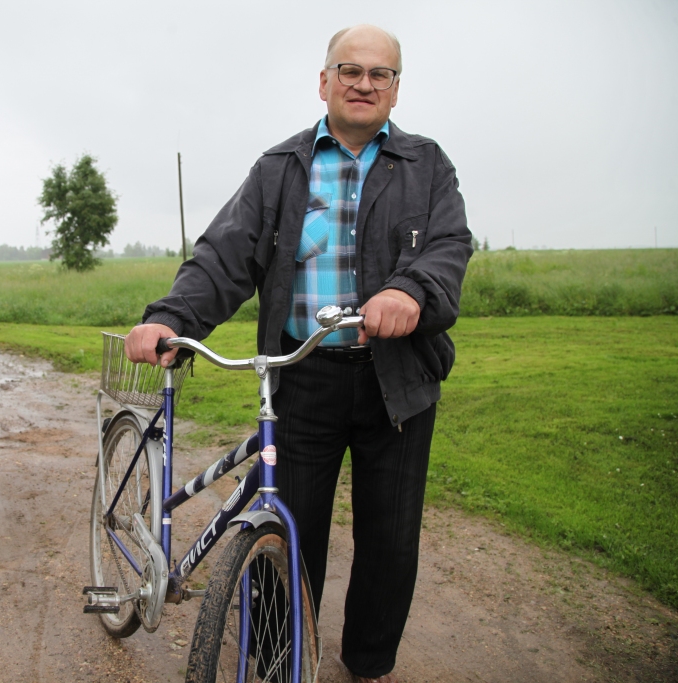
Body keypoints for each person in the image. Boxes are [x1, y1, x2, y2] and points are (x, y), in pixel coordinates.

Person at [126, 24, 472, 683]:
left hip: (398, 382)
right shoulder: (280, 168)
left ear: (397, 89)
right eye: (350, 70)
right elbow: (224, 258)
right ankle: (274, 662)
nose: (364, 83)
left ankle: (368, 664)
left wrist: (411, 290)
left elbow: (448, 251)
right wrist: (172, 316)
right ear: (324, 81)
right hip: (304, 375)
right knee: (288, 534)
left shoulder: (428, 166)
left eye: (380, 74)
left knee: (389, 542)